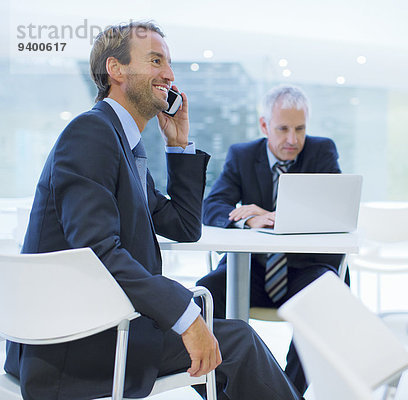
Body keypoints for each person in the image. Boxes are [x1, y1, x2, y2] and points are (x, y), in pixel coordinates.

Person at [3, 22, 302, 400]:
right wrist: (186, 317)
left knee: (229, 342)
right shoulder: (91, 134)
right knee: (237, 342)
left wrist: (179, 146)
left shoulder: (122, 145)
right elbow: (98, 251)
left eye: (169, 63)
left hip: (102, 327)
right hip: (76, 345)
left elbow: (184, 226)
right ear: (116, 70)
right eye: (156, 60)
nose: (169, 74)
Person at [198, 85, 346, 394]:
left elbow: (334, 213)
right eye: (283, 129)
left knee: (328, 296)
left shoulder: (322, 152)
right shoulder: (242, 155)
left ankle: (287, 393)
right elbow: (212, 207)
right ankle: (227, 393)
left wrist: (277, 216)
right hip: (249, 271)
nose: (293, 139)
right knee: (203, 299)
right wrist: (249, 218)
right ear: (265, 126)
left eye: (300, 129)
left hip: (303, 271)